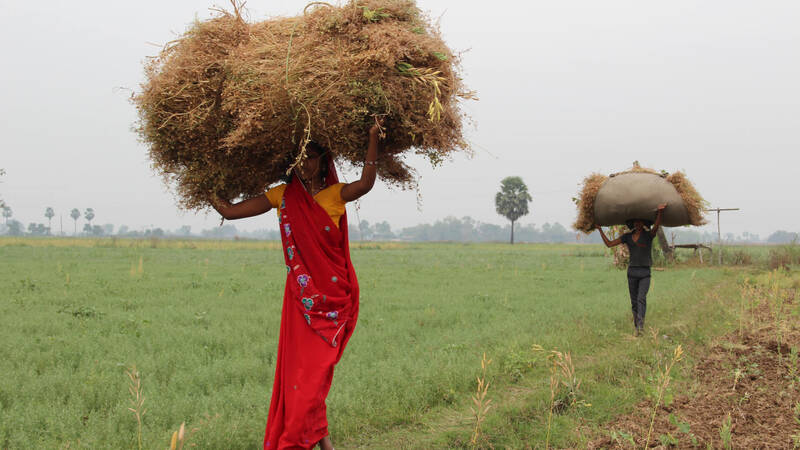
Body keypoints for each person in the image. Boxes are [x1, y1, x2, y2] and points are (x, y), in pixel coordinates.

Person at [211, 123, 383, 450]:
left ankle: (304, 441)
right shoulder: (283, 195)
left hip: (332, 304)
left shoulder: (335, 195)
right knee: (303, 381)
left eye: (312, 158)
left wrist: (372, 139)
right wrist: (206, 181)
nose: (306, 164)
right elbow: (230, 212)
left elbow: (365, 184)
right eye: (300, 158)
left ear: (323, 160)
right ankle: (324, 445)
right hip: (300, 305)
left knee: (314, 379)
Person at [595, 203, 666, 336]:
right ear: (633, 224)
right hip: (632, 272)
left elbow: (656, 226)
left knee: (641, 299)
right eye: (635, 222)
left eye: (640, 222)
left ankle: (640, 326)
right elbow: (609, 244)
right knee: (634, 301)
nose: (638, 224)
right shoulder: (627, 237)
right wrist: (599, 230)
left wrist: (660, 213)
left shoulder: (649, 235)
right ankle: (636, 327)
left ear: (643, 224)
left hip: (645, 273)